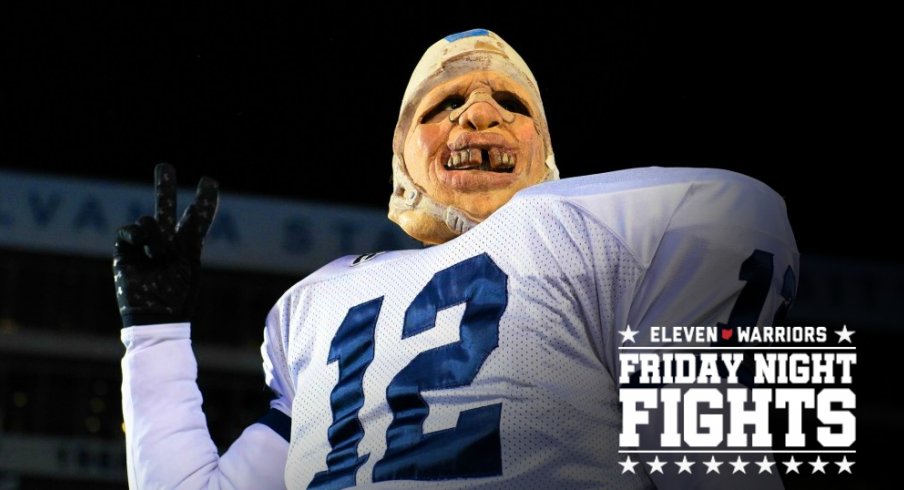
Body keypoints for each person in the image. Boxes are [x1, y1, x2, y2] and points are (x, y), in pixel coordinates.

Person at [114, 29, 797, 489]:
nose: (480, 113)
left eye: (510, 101)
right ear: (402, 151)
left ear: (544, 149)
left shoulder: (608, 236)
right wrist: (154, 333)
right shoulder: (314, 306)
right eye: (445, 101)